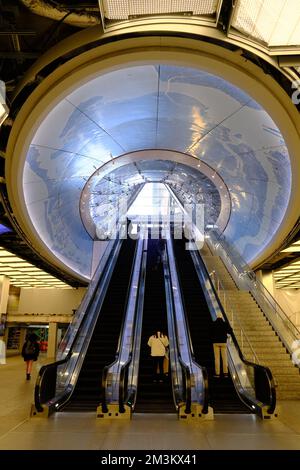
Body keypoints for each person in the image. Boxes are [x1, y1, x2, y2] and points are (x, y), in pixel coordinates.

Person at [210, 314, 232, 378]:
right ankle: (225, 373)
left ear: (217, 317)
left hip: (215, 343)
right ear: (222, 317)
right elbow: (230, 331)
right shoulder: (225, 324)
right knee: (224, 358)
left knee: (217, 358)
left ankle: (217, 374)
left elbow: (210, 332)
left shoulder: (213, 323)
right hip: (223, 342)